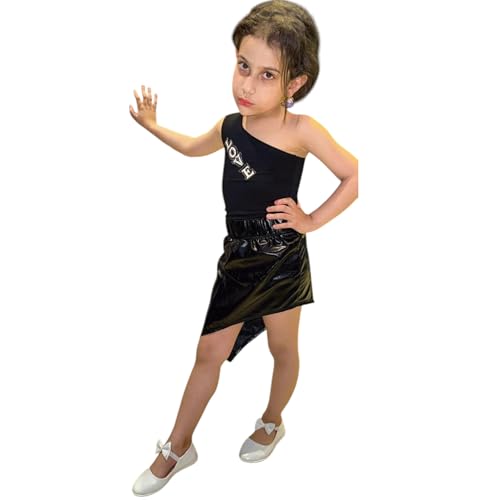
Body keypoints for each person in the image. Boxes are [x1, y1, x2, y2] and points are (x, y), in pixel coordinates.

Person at [129, 0, 358, 495]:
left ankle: (273, 420)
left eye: (267, 75)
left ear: (295, 84)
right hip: (238, 255)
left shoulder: (302, 130)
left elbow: (352, 175)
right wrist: (153, 126)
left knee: (282, 347)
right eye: (243, 66)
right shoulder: (231, 126)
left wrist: (311, 221)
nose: (247, 86)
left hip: (281, 256)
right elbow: (193, 147)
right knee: (209, 350)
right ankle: (178, 447)